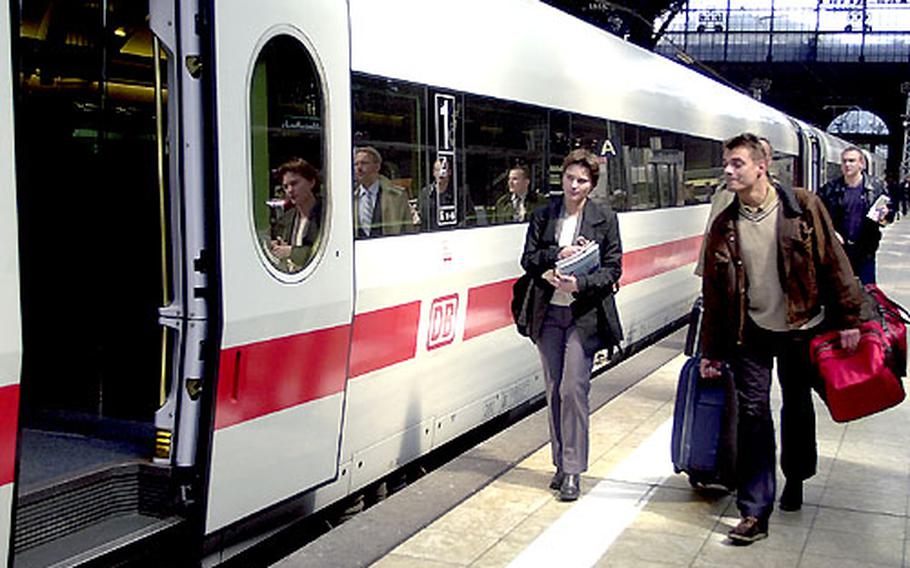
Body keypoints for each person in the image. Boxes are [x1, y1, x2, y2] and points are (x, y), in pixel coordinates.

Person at [700, 133, 862, 544]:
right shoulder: (725, 224)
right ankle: (755, 511)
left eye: (737, 163)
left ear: (761, 166)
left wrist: (849, 318)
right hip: (750, 330)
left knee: (796, 405)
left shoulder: (802, 207)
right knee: (754, 415)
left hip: (801, 326)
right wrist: (710, 351)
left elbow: (832, 261)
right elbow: (715, 296)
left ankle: (796, 476)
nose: (728, 170)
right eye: (727, 163)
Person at [520, 149, 623, 502]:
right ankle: (560, 464)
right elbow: (528, 258)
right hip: (548, 313)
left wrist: (580, 283)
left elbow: (613, 269)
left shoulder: (604, 218)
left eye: (582, 180)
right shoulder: (544, 214)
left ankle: (574, 470)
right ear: (561, 177)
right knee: (553, 389)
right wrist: (555, 257)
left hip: (583, 314)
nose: (574, 185)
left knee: (572, 390)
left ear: (592, 184)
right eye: (569, 178)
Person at [818, 146, 890, 284]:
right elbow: (818, 216)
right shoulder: (829, 190)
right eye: (844, 161)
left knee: (867, 295)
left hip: (865, 253)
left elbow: (887, 218)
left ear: (861, 164)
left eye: (851, 161)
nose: (847, 165)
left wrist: (885, 216)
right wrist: (831, 233)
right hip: (839, 252)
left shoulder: (876, 188)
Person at [268, 158, 322, 272]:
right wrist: (276, 247)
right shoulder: (285, 219)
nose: (290, 190)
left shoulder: (326, 216)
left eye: (294, 183)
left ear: (311, 182)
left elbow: (325, 252)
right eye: (286, 187)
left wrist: (292, 252)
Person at [353, 146, 415, 237]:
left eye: (364, 163)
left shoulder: (397, 196)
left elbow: (408, 230)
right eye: (356, 164)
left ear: (377, 167)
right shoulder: (350, 199)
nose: (359, 168)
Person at [418, 157, 457, 231]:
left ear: (450, 172)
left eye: (444, 170)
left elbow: (468, 219)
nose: (440, 174)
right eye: (437, 170)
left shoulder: (459, 194)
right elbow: (420, 218)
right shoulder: (425, 193)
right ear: (433, 172)